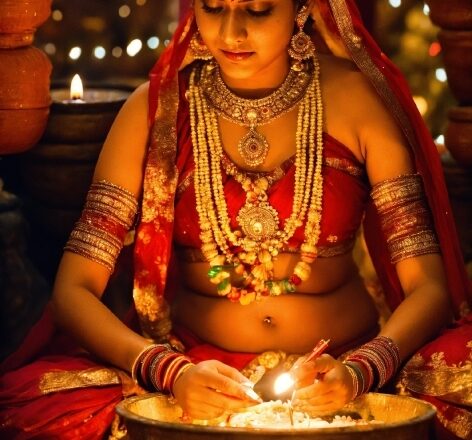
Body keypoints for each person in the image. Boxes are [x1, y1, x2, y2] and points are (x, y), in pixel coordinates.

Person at [1, 0, 471, 439]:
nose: (232, 31)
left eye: (258, 9)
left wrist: (361, 370)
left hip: (342, 368)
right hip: (199, 375)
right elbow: (73, 291)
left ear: (302, 7)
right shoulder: (157, 111)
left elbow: (428, 287)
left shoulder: (356, 100)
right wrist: (169, 371)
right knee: (38, 409)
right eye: (213, 7)